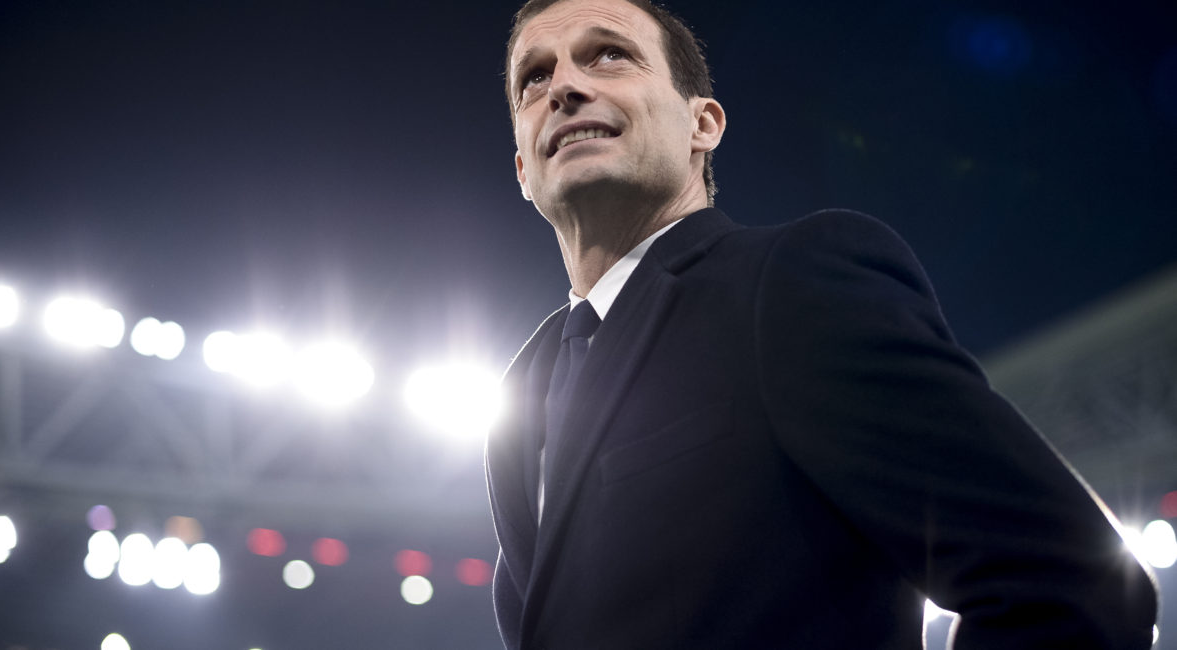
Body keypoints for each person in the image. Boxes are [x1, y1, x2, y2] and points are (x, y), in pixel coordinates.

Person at [484, 0, 1159, 647]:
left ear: (704, 125)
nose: (564, 87)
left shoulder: (788, 282)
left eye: (608, 56)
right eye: (534, 77)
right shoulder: (523, 390)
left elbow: (1072, 584)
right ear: (522, 167)